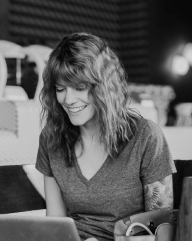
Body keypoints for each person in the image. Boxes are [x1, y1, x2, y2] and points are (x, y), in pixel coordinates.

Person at [35, 32, 176, 241]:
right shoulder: (52, 137)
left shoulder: (145, 136)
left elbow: (162, 227)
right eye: (60, 89)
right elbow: (55, 224)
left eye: (80, 88)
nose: (68, 99)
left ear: (104, 87)